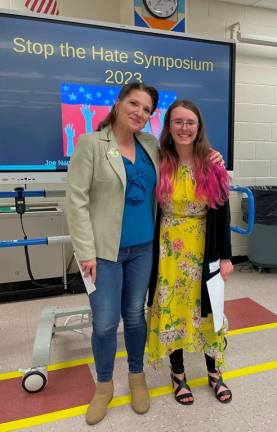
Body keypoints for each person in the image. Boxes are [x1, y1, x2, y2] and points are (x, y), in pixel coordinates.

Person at [66, 83, 224, 425]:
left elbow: (188, 155)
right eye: (133, 104)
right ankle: (104, 386)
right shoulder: (91, 144)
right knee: (106, 324)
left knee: (136, 316)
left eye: (147, 109)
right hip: (103, 252)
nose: (139, 112)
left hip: (144, 249)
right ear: (119, 103)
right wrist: (85, 252)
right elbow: (76, 202)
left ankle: (137, 378)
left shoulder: (150, 145)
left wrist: (213, 156)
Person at [147, 99, 233, 406]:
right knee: (173, 312)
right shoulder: (158, 161)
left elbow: (223, 214)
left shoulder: (212, 164)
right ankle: (178, 374)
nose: (184, 128)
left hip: (203, 249)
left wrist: (225, 257)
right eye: (178, 122)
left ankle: (214, 373)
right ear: (169, 127)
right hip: (169, 251)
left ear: (198, 128)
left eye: (190, 122)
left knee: (210, 314)